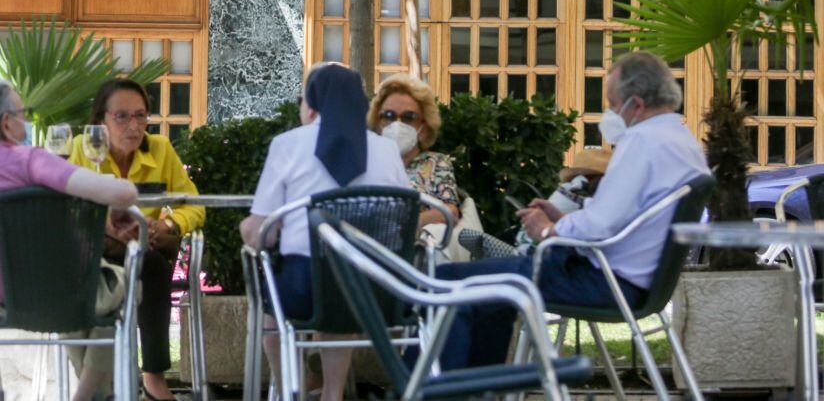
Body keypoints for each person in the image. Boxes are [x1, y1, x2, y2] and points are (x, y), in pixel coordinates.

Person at [433, 51, 710, 369]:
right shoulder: (681, 141)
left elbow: (600, 227)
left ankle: (426, 391)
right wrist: (562, 217)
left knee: (448, 281)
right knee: (492, 296)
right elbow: (623, 218)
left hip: (604, 282)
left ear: (636, 104)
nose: (609, 112)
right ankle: (484, 389)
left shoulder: (642, 142)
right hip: (637, 284)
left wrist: (546, 229)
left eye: (611, 103)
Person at [0, 80, 138, 401]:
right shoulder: (29, 160)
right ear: (6, 123)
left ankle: (96, 392)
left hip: (0, 304)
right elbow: (123, 193)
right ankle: (87, 395)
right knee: (123, 285)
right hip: (66, 291)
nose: (26, 121)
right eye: (22, 114)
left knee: (86, 291)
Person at [240, 64, 411, 401]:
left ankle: (294, 387)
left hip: (306, 290)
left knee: (273, 303)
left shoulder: (287, 144)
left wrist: (252, 230)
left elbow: (263, 232)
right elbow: (403, 220)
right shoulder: (388, 150)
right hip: (378, 291)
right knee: (341, 287)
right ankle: (332, 394)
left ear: (312, 104)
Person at [68, 79, 205, 401]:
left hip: (143, 253)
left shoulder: (160, 149)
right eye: (122, 117)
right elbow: (64, 206)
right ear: (101, 120)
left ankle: (154, 376)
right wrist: (107, 225)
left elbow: (196, 204)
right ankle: (99, 382)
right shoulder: (81, 147)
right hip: (94, 252)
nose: (134, 125)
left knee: (154, 265)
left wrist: (169, 223)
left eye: (141, 116)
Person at [367, 73, 462, 228]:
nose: (396, 124)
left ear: (423, 127)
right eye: (388, 116)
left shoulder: (437, 163)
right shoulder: (367, 162)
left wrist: (412, 224)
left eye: (409, 117)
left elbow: (450, 212)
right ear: (378, 122)